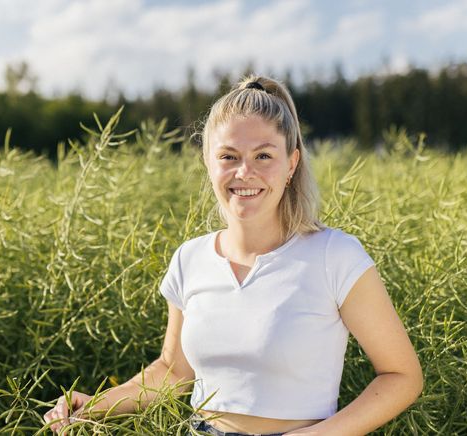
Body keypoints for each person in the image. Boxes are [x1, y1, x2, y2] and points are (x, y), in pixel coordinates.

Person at [43, 75, 423, 435]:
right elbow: (173, 372)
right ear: (208, 162)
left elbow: (401, 376)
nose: (244, 172)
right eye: (228, 156)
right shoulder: (189, 259)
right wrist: (92, 405)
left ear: (291, 163)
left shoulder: (334, 256)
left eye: (263, 156)